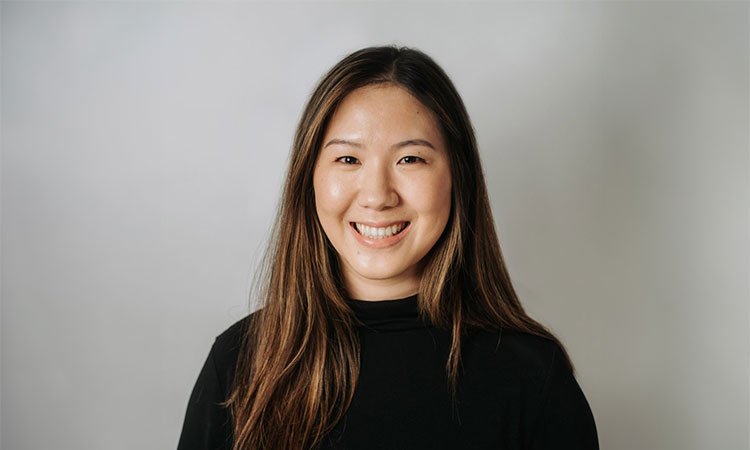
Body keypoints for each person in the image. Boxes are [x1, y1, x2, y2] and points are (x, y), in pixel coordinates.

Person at [177, 45, 599, 450]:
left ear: (458, 178)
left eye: (410, 159)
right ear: (309, 177)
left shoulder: (532, 377)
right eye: (348, 159)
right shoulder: (239, 365)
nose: (377, 196)